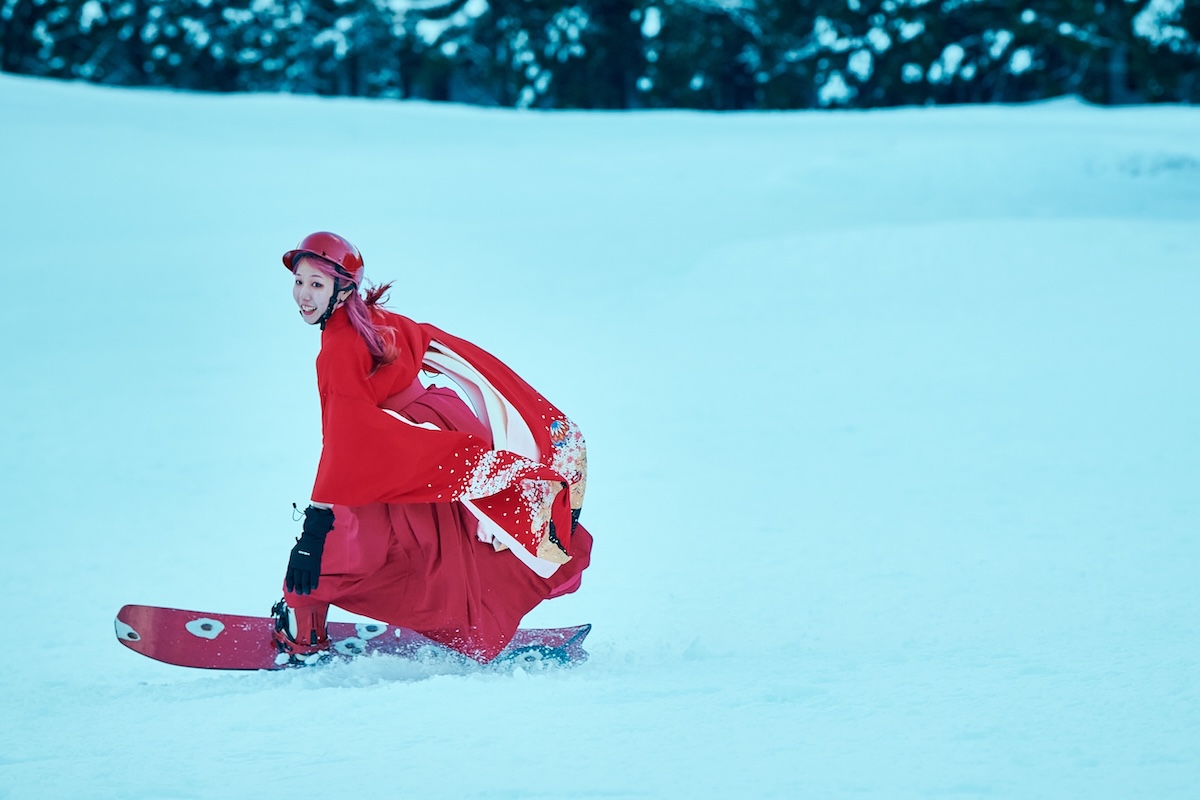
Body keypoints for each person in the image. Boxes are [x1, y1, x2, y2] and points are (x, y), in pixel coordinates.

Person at [273, 231, 592, 664]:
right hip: (423, 435)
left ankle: (303, 639)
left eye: (316, 284)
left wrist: (315, 522)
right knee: (435, 543)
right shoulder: (375, 319)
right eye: (299, 282)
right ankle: (472, 620)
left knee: (334, 552)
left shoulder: (339, 348)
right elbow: (419, 341)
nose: (303, 295)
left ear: (343, 289)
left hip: (397, 451)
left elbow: (343, 438)